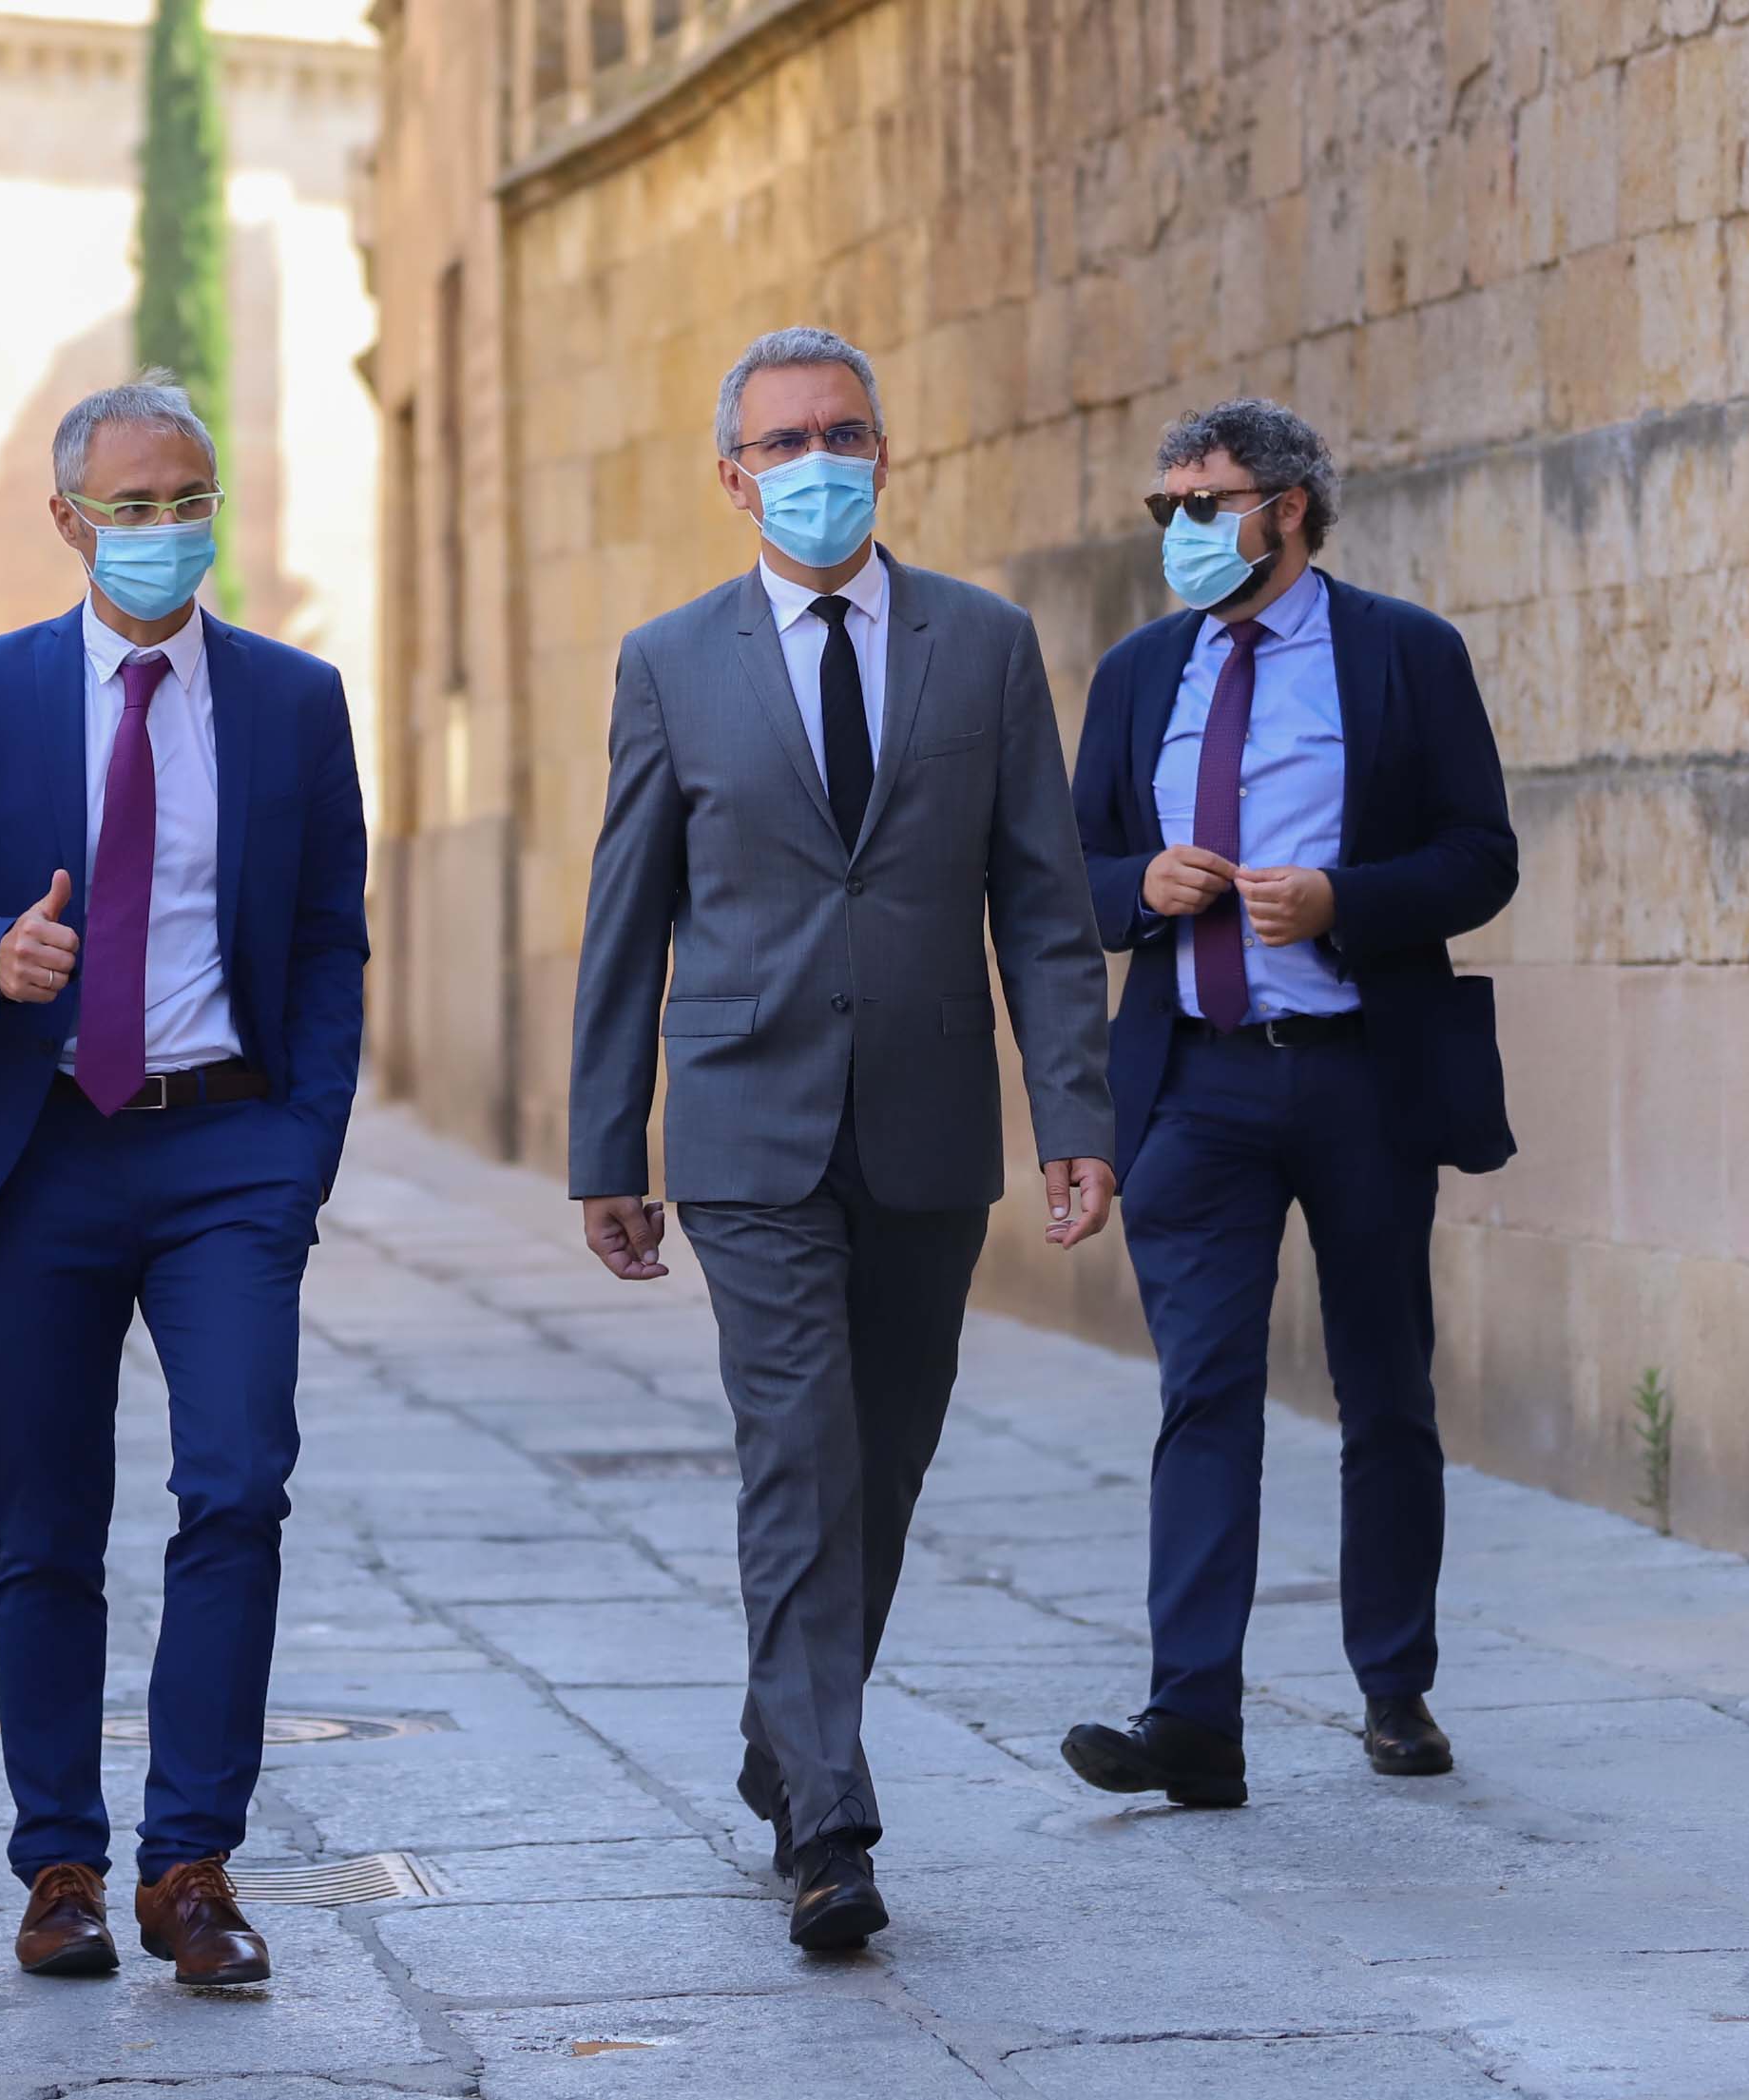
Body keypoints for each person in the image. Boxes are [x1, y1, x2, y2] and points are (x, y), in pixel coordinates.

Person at [567, 327, 1115, 1952]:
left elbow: (1042, 898)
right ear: (736, 475)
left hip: (932, 1125)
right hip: (748, 1121)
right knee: (799, 1448)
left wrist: (1075, 1106)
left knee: (883, 1459)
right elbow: (627, 916)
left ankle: (782, 1725)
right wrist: (611, 1136)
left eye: (846, 432)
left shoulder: (985, 644)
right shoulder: (672, 662)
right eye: (787, 441)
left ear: (887, 452)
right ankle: (830, 1814)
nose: (821, 461)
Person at [0, 373, 368, 1990]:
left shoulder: (294, 701)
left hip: (228, 1144)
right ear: (70, 516)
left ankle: (192, 1863)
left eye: (190, 502)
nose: (166, 532)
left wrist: (299, 1157)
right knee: (48, 1522)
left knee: (236, 1482)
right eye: (134, 506)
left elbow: (326, 943)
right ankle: (60, 1864)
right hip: (44, 1149)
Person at [1060, 399, 1517, 1806]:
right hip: (1192, 1082)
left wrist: (1344, 903)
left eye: (1211, 503)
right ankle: (1192, 1717)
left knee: (1384, 1384)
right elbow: (1069, 871)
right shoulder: (1140, 673)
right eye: (1168, 510)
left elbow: (1482, 855)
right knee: (1204, 1393)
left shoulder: (1402, 654)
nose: (1185, 532)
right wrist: (1137, 886)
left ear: (1294, 507)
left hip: (1361, 1076)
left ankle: (1395, 1683)